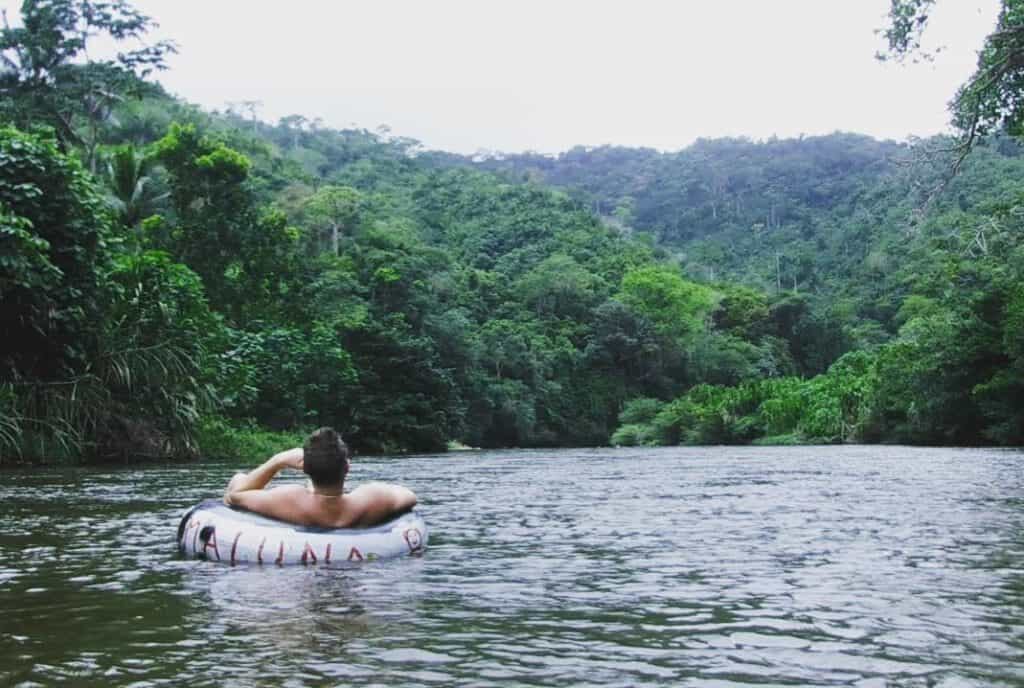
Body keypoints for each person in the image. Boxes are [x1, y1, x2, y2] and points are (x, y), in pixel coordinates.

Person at [223, 427, 417, 528]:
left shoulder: (290, 499)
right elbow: (409, 496)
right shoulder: (371, 499)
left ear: (305, 469)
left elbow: (235, 494)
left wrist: (277, 461)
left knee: (239, 476)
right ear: (347, 467)